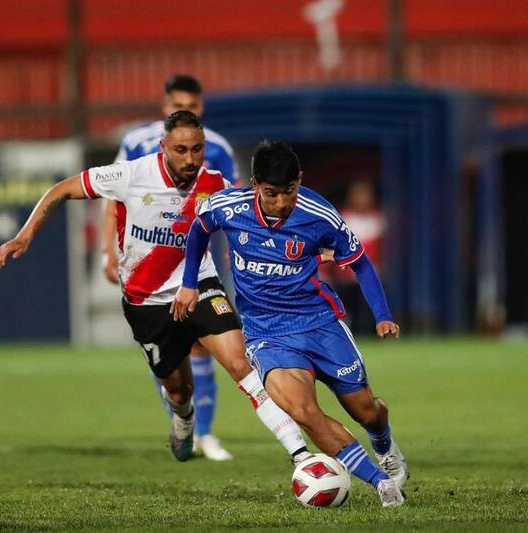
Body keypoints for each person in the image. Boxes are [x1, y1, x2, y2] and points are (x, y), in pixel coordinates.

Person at [0, 111, 309, 466]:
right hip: (146, 302)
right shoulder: (131, 175)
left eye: (197, 150)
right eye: (181, 150)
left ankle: (300, 454)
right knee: (178, 389)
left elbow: (258, 218)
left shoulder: (215, 184)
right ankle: (185, 416)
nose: (190, 159)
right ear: (163, 147)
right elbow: (61, 189)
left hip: (198, 285)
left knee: (241, 364)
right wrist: (25, 235)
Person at [171, 140, 408, 507]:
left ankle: (384, 444)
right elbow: (199, 229)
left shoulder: (319, 214)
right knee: (302, 410)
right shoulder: (228, 206)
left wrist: (383, 316)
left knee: (366, 411)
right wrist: (189, 283)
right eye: (271, 194)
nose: (281, 202)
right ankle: (382, 485)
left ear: (300, 180)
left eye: (289, 192)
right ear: (254, 184)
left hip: (319, 323)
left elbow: (359, 261)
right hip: (267, 333)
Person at [104, 74, 238, 460]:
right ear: (164, 106)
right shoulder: (137, 144)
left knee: (204, 343)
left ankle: (206, 434)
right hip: (151, 260)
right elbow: (110, 195)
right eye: (179, 103)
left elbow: (235, 203)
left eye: (193, 105)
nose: (186, 110)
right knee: (170, 352)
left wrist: (234, 250)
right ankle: (182, 422)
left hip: (200, 257)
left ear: (202, 107)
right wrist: (108, 252)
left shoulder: (218, 148)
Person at [322, 180, 386, 334]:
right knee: (345, 316)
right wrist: (325, 271)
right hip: (343, 278)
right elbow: (330, 247)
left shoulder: (379, 219)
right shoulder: (342, 218)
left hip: (370, 277)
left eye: (366, 194)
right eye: (359, 194)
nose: (362, 198)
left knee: (366, 320)